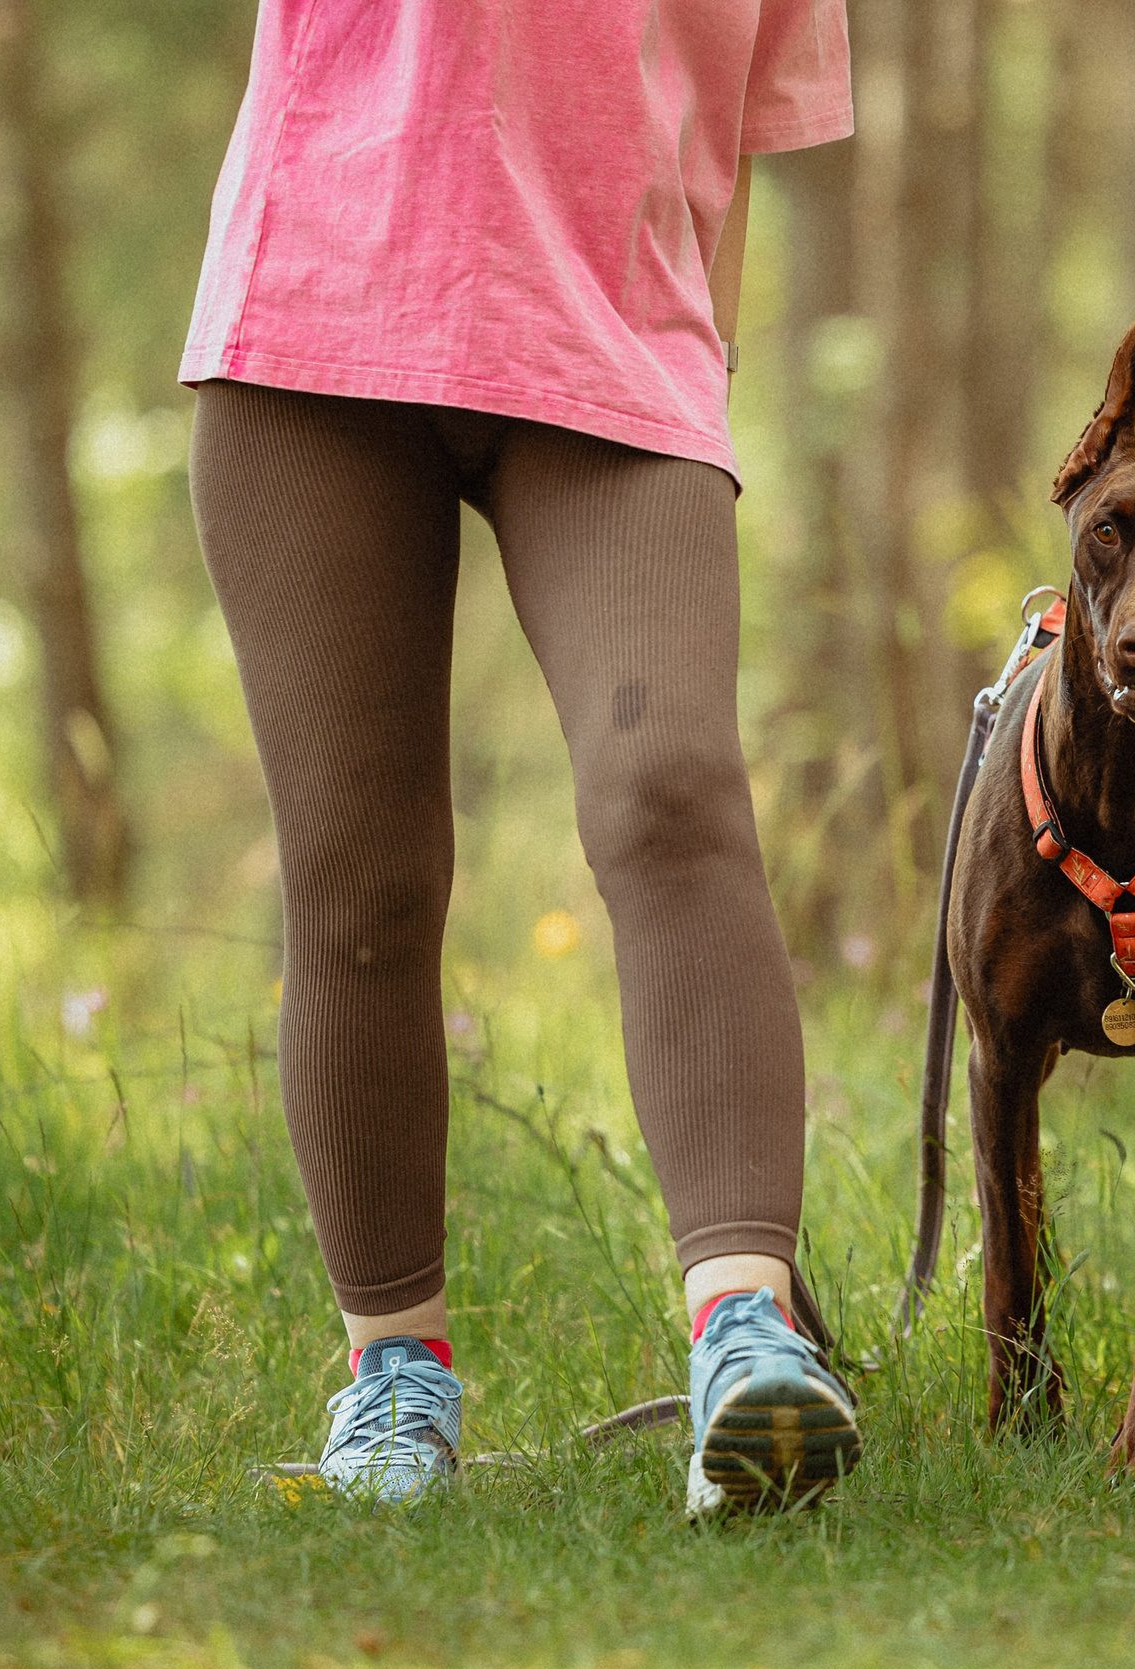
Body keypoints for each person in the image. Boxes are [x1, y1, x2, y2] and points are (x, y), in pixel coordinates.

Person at [180, 0, 860, 1515]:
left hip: (619, 346)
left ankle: (747, 1336)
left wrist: (708, 367)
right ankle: (392, 1379)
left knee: (670, 787)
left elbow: (733, 140)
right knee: (360, 876)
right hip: (316, 321)